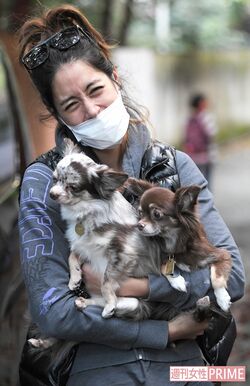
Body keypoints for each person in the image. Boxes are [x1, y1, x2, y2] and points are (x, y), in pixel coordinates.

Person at [17, 5, 244, 386]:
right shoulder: (45, 183)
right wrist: (165, 331)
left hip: (185, 370)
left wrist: (138, 287)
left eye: (96, 90)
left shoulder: (174, 167)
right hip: (97, 369)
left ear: (115, 79)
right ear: (57, 115)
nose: (91, 110)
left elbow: (232, 276)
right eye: (72, 105)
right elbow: (52, 311)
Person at [183, 93, 218, 189]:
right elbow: (211, 135)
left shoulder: (189, 119)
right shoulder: (206, 117)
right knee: (207, 182)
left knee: (195, 182)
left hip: (193, 156)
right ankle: (207, 202)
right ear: (201, 103)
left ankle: (197, 201)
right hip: (207, 156)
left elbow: (185, 138)